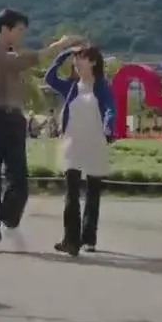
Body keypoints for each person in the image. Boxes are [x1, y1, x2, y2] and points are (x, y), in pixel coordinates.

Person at [0, 7, 79, 254]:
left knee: (19, 178)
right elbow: (26, 60)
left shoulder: (15, 54)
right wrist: (59, 45)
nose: (22, 34)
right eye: (19, 30)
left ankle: (8, 218)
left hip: (15, 119)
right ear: (5, 29)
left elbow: (28, 63)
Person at [44, 45, 115, 256]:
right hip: (72, 143)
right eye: (74, 58)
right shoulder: (71, 86)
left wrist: (109, 123)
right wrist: (64, 54)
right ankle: (71, 240)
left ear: (93, 62)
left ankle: (89, 238)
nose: (76, 62)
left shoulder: (101, 86)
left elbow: (110, 107)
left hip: (94, 143)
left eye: (80, 57)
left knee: (93, 192)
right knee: (71, 192)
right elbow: (49, 78)